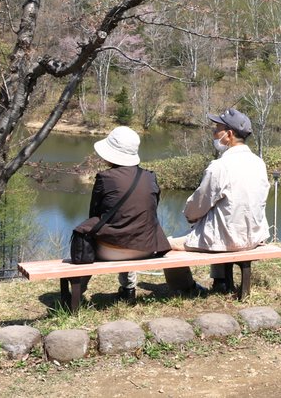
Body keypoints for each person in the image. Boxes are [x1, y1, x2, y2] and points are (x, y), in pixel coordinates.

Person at [166, 108, 270, 294]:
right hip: (254, 236)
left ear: (229, 134)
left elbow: (198, 204)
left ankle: (187, 289)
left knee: (168, 244)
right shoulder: (259, 163)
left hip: (227, 240)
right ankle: (220, 281)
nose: (214, 133)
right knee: (219, 220)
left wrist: (190, 216)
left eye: (217, 129)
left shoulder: (220, 167)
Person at [87, 126, 170, 303]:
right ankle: (129, 289)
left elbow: (93, 214)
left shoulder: (105, 178)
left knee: (92, 233)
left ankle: (79, 289)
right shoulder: (150, 177)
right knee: (132, 229)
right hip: (146, 249)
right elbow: (151, 211)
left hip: (111, 251)